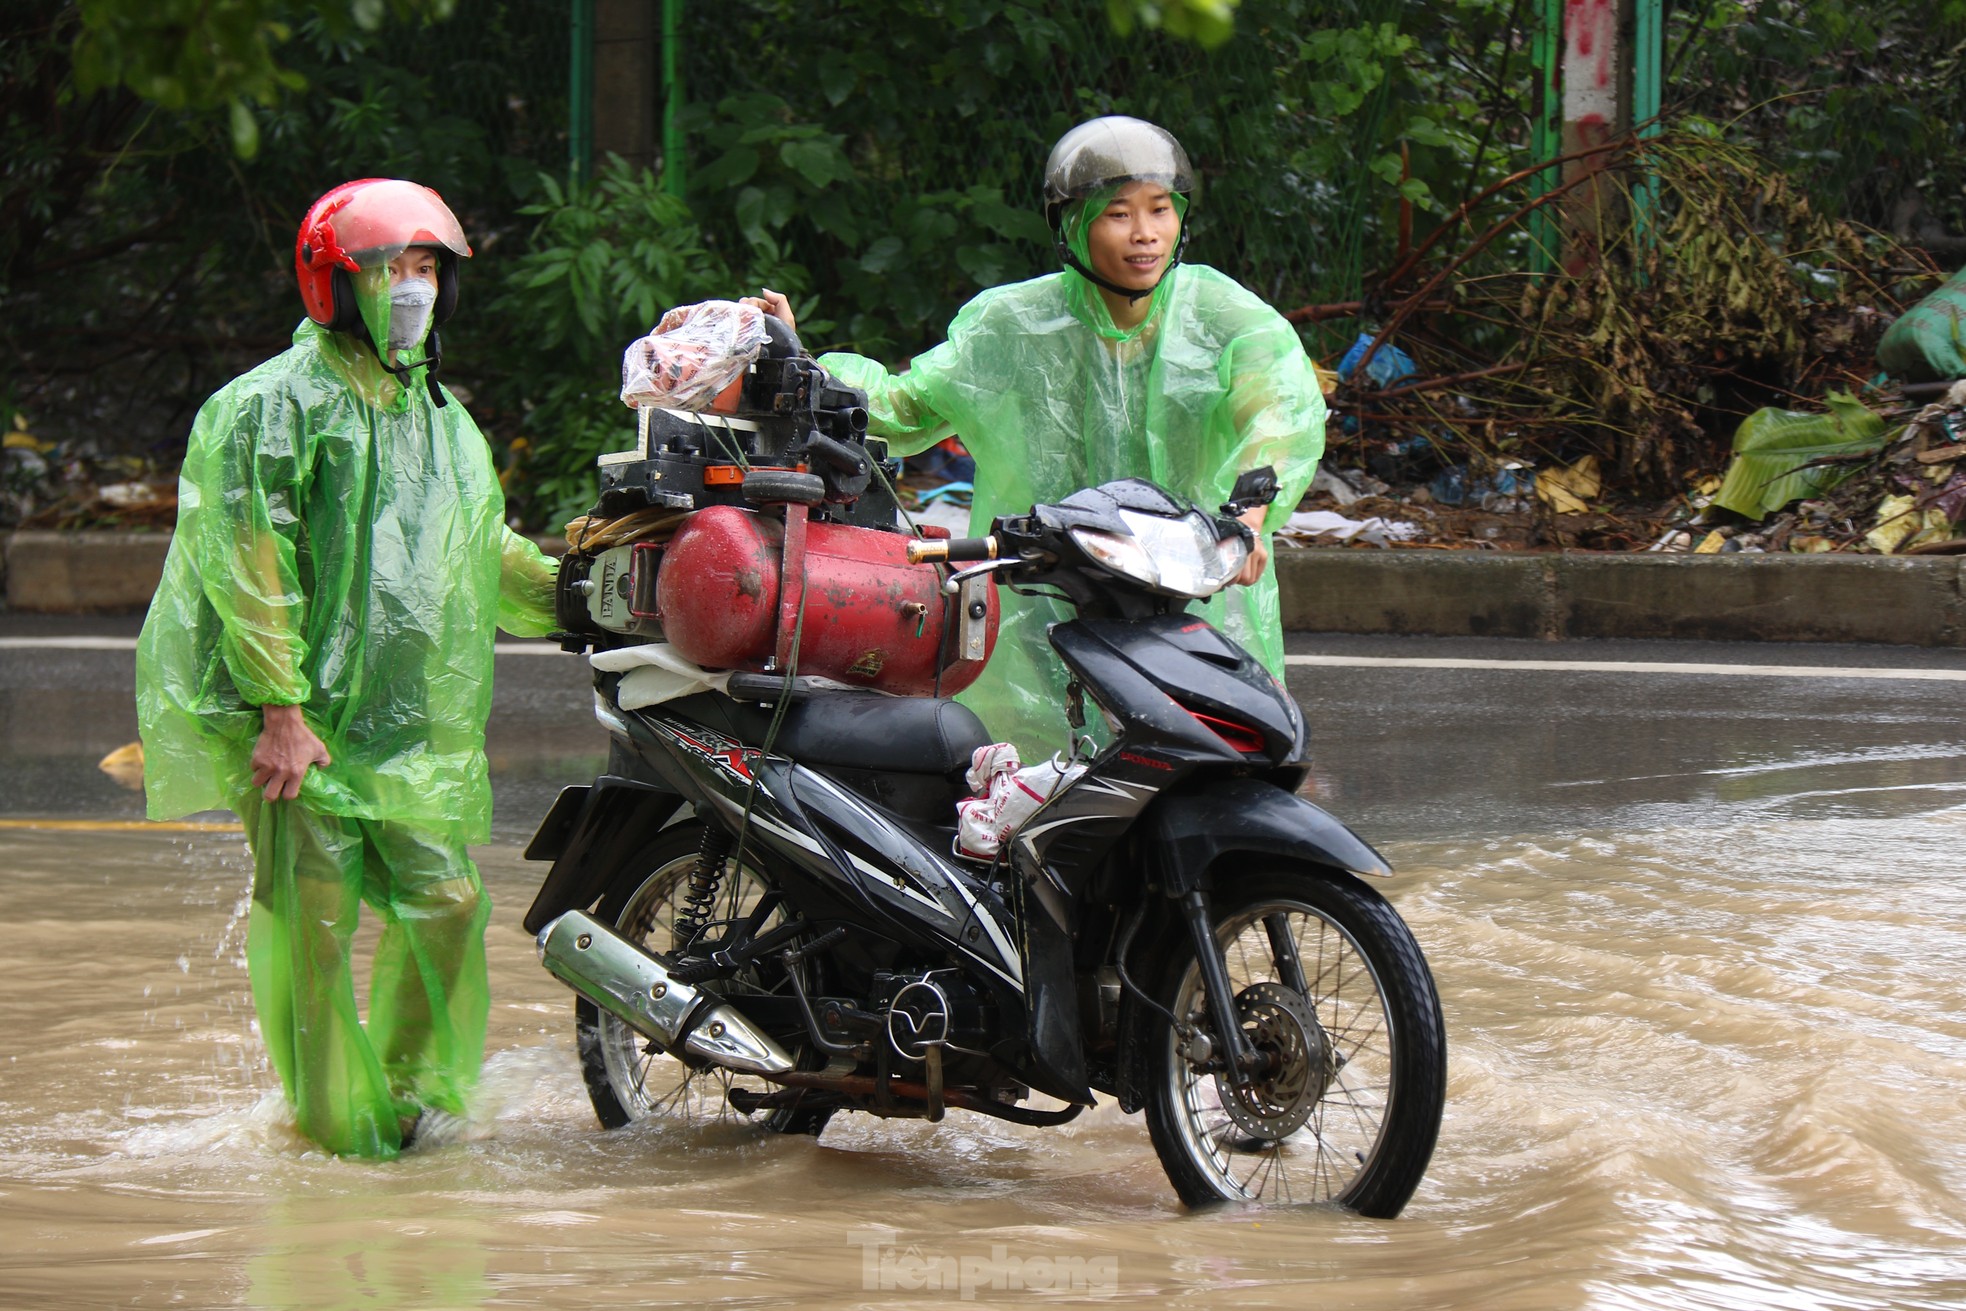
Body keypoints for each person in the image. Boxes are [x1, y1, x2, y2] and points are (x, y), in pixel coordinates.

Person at [136, 179, 560, 1159]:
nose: (411, 288)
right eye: (387, 268)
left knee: (448, 903)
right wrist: (279, 708)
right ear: (333, 284)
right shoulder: (267, 407)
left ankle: (410, 1102)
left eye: (426, 268)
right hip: (293, 721)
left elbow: (479, 546)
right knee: (316, 926)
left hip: (396, 730)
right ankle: (338, 1135)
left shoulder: (438, 415)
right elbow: (251, 564)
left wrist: (581, 591)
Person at [754, 116, 1326, 756]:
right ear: (1072, 225)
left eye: (1161, 209)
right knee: (1037, 769)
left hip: (1197, 581)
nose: (1146, 233)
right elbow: (905, 408)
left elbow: (1278, 414)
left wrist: (1247, 516)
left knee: (1215, 756)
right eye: (1119, 214)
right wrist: (802, 361)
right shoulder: (1012, 324)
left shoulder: (1225, 316)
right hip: (1044, 585)